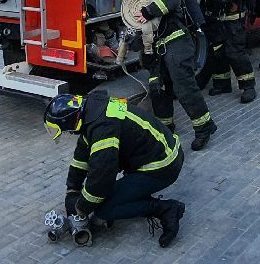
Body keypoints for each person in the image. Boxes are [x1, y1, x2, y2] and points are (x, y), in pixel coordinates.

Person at [45, 89, 185, 245]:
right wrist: (72, 189)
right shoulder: (94, 111)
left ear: (70, 122)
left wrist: (82, 207)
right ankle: (131, 198)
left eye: (66, 130)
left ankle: (167, 209)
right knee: (108, 197)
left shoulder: (103, 127)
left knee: (105, 209)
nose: (69, 133)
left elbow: (102, 176)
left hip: (163, 166)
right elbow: (82, 155)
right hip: (160, 153)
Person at [129, 0, 217, 150]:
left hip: (176, 42)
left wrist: (149, 11)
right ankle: (165, 128)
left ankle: (204, 127)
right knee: (158, 89)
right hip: (157, 48)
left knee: (184, 87)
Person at [198, 0, 256, 103]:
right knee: (217, 53)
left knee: (235, 54)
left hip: (233, 23)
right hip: (217, 21)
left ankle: (248, 86)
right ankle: (222, 84)